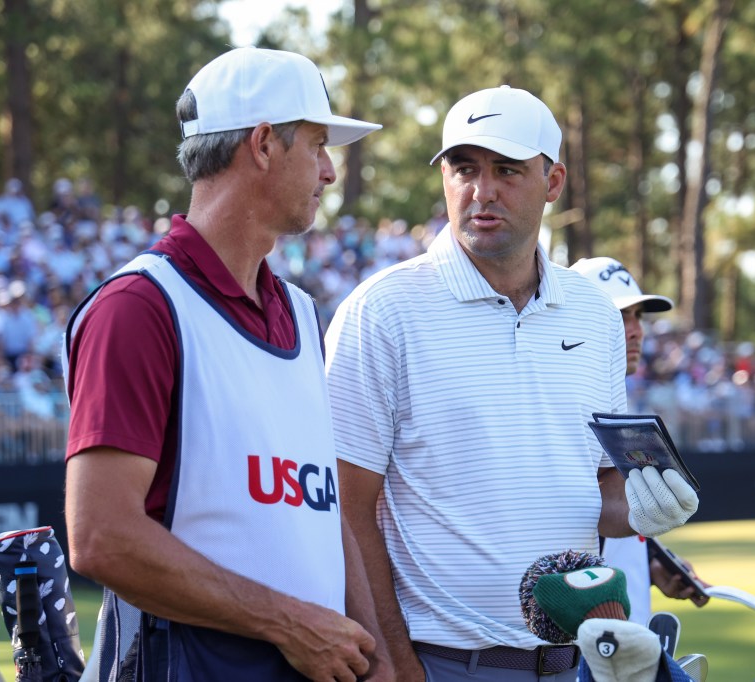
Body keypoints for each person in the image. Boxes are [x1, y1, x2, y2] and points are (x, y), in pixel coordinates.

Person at [325, 85, 699, 681]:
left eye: (507, 170)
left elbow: (594, 491)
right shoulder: (382, 310)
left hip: (578, 661)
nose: (482, 190)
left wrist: (642, 509)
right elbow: (346, 505)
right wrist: (394, 663)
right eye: (464, 168)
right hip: (437, 661)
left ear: (553, 183)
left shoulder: (595, 315)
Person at [64, 47, 390, 681]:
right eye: (319, 145)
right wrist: (287, 622)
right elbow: (101, 534)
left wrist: (374, 656)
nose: (328, 171)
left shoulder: (298, 311)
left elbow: (320, 508)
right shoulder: (139, 307)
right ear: (264, 144)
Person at [570, 257, 708, 682]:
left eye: (637, 316)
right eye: (620, 315)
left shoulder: (617, 403)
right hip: (584, 654)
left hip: (626, 647)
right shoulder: (560, 409)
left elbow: (597, 517)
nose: (635, 329)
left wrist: (649, 562)